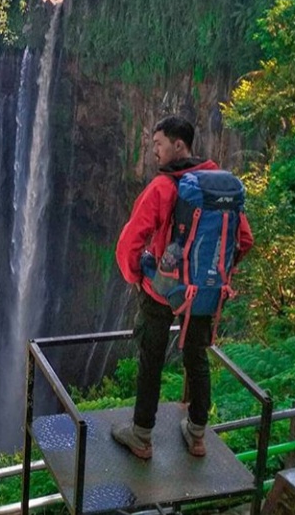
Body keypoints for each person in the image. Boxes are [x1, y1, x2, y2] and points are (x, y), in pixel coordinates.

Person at [111, 115, 253, 460]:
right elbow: (244, 240)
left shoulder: (162, 187)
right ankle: (197, 433)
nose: (154, 152)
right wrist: (212, 275)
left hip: (162, 292)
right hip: (203, 294)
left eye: (158, 144)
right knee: (197, 358)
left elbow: (130, 241)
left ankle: (142, 435)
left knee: (151, 359)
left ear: (179, 145)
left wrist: (137, 277)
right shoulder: (220, 187)